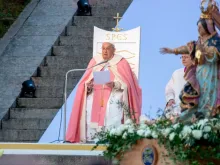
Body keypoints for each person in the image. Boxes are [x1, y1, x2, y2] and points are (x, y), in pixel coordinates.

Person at [66, 42, 142, 143]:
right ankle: (92, 138)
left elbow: (128, 83)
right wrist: (88, 86)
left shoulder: (121, 62)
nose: (105, 51)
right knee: (89, 103)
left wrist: (114, 84)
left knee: (112, 105)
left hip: (114, 92)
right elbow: (87, 80)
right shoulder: (96, 61)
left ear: (113, 50)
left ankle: (112, 137)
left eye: (108, 49)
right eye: (103, 48)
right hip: (96, 92)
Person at [160, 1, 220, 123]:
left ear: (206, 27)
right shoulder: (198, 42)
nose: (198, 30)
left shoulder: (214, 40)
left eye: (200, 27)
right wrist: (172, 50)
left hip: (211, 72)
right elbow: (187, 48)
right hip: (200, 71)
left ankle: (208, 115)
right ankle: (199, 115)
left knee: (209, 93)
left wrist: (205, 51)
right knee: (199, 93)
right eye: (197, 27)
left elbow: (215, 53)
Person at [165, 54, 193, 119]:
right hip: (178, 111)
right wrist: (170, 99)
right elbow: (169, 89)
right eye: (182, 57)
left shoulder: (200, 73)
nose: (183, 59)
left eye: (186, 57)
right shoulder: (176, 73)